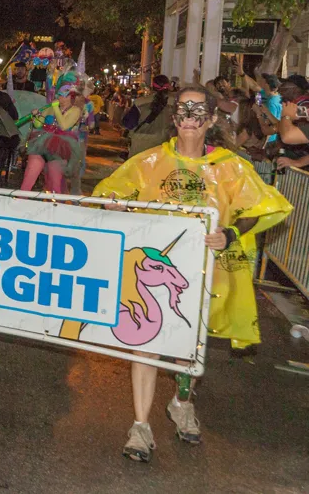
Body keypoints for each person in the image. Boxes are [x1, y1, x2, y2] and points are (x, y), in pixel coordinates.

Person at [95, 84, 291, 463]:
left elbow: (258, 206)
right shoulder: (149, 161)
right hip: (154, 275)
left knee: (190, 350)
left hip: (203, 275)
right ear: (174, 118)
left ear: (212, 119)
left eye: (198, 111)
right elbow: (112, 193)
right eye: (183, 110)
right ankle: (140, 426)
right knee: (146, 343)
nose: (189, 118)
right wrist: (116, 205)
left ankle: (182, 402)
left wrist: (230, 233)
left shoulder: (230, 167)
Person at [20, 81, 83, 193]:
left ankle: (54, 202)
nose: (61, 99)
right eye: (59, 95)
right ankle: (20, 199)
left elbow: (64, 126)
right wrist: (36, 116)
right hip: (41, 143)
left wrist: (56, 108)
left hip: (60, 148)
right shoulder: (50, 108)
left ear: (72, 97)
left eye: (65, 96)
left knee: (55, 183)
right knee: (29, 176)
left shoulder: (75, 110)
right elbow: (38, 125)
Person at [124, 75, 175, 158]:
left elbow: (129, 124)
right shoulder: (176, 103)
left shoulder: (140, 102)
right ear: (168, 86)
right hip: (165, 145)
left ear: (152, 86)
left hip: (140, 146)